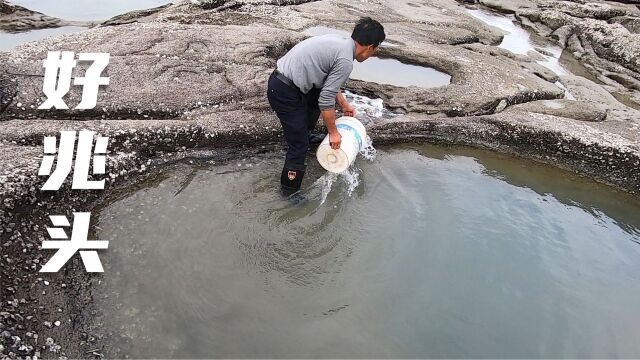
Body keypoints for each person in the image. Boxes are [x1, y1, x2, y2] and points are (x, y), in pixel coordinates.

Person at [267, 17, 386, 196]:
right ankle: (289, 192)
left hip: (287, 83)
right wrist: (333, 132)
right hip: (284, 91)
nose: (372, 54)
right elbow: (326, 99)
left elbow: (328, 84)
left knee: (315, 101)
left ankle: (304, 134)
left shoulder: (341, 44)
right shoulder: (345, 60)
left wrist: (344, 104)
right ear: (370, 47)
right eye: (374, 50)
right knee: (298, 146)